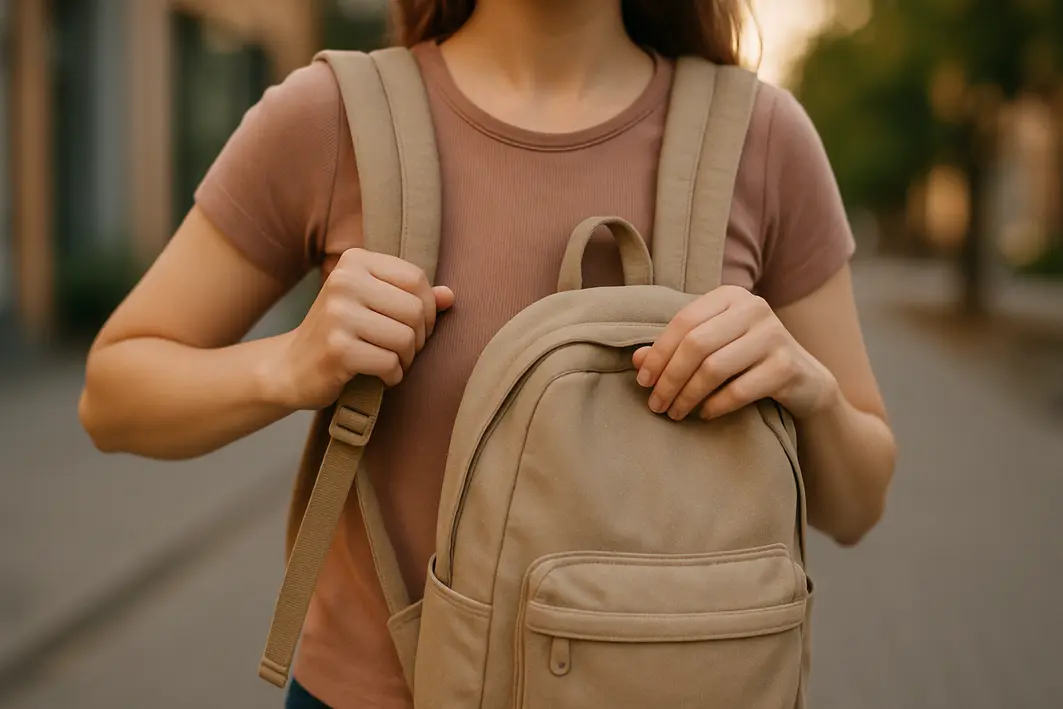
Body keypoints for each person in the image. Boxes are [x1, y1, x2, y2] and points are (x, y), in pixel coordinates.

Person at [78, 0, 898, 707]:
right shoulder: (334, 118)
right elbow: (112, 393)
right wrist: (287, 365)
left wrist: (805, 387)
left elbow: (856, 506)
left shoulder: (758, 139)